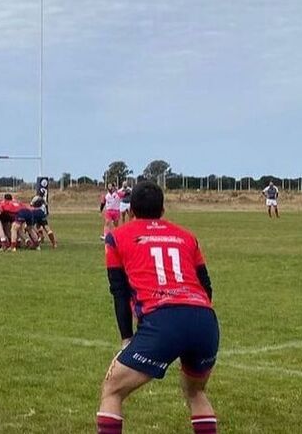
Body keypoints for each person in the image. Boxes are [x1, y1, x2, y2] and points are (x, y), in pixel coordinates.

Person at [97, 181, 219, 434]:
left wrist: (126, 338)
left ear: (130, 211)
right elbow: (206, 287)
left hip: (164, 321)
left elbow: (119, 293)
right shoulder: (187, 236)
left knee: (112, 390)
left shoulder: (116, 237)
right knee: (195, 391)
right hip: (205, 319)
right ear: (163, 210)